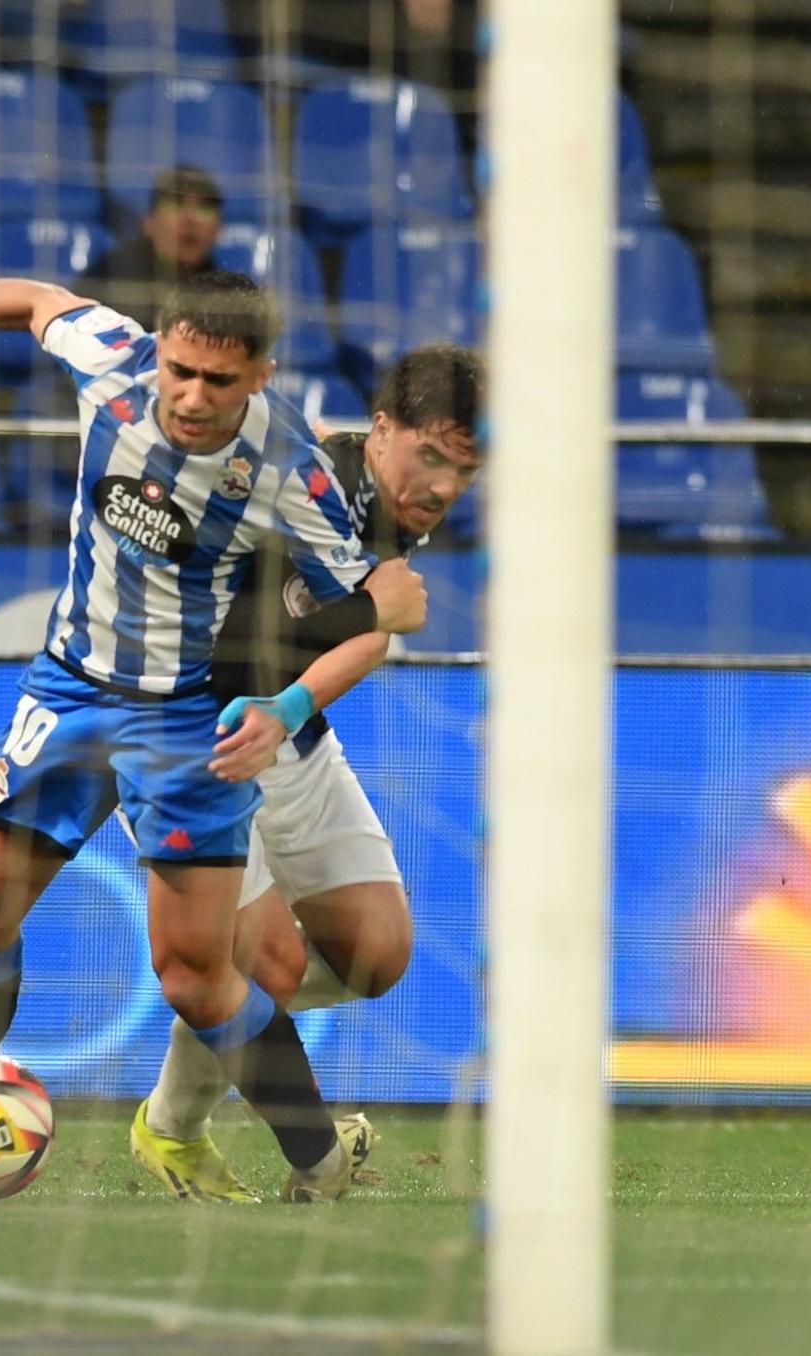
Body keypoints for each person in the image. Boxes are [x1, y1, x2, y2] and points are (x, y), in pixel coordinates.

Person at [0, 262, 431, 1205]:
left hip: (182, 724)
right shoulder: (115, 363)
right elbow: (33, 300)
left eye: (218, 381)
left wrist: (345, 646)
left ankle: (318, 1157)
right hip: (68, 687)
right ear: (161, 348)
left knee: (193, 976)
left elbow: (377, 613)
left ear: (260, 374)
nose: (190, 395)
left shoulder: (292, 470)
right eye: (180, 369)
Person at [129, 344, 484, 1202]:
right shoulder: (304, 478)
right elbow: (364, 630)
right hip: (196, 735)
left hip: (284, 729)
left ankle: (226, 1037)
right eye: (429, 456)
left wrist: (288, 710)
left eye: (463, 470)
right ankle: (173, 1130)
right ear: (384, 429)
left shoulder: (399, 508)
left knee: (377, 955)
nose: (441, 484)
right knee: (271, 966)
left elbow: (359, 628)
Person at [77, 165, 226, 333]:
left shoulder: (226, 294)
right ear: (149, 223)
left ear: (220, 229)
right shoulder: (109, 278)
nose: (190, 218)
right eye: (176, 205)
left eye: (204, 209)